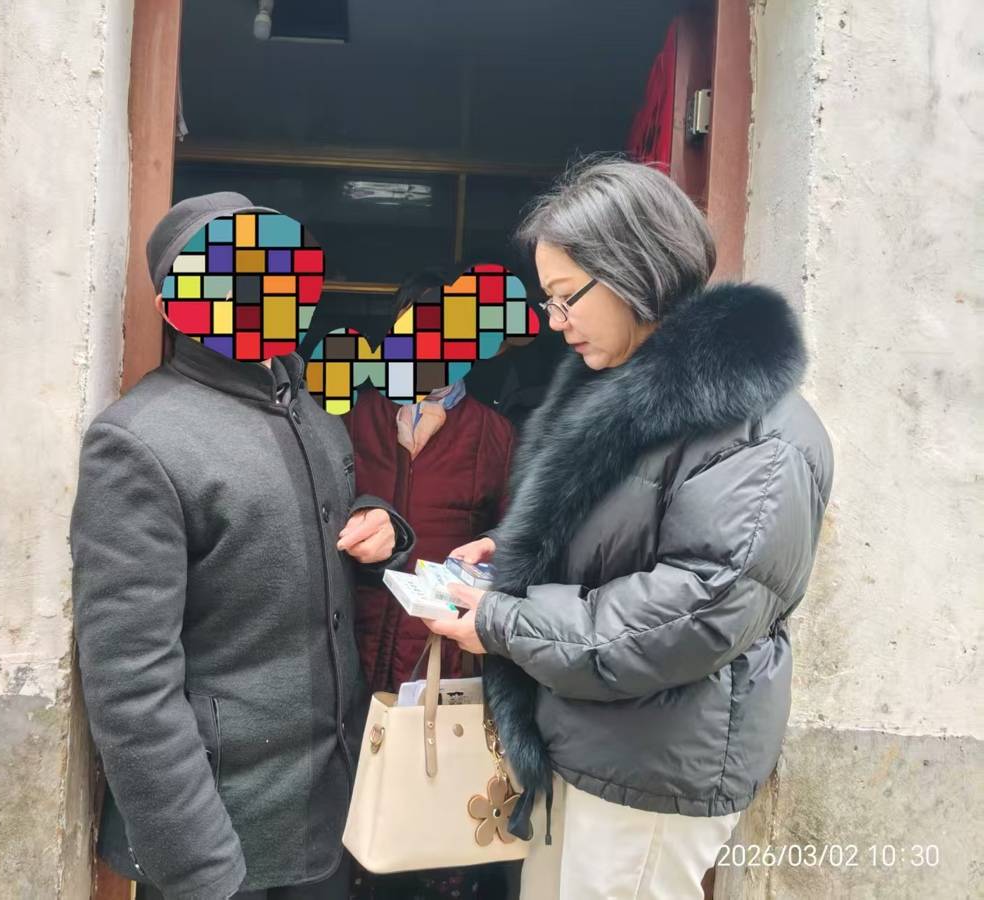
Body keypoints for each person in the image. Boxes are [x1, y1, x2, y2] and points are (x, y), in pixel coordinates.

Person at [427, 159, 833, 899]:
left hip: (652, 774)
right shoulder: (621, 394)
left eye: (565, 297)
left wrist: (505, 621)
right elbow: (616, 540)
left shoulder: (759, 432)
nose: (554, 322)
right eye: (548, 300)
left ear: (632, 271)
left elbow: (697, 610)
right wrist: (514, 556)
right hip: (591, 745)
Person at [71, 192, 415, 900]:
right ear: (174, 309)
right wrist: (199, 867)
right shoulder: (139, 440)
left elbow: (310, 535)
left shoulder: (307, 408)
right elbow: (130, 680)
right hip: (224, 833)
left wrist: (381, 529)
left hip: (324, 811)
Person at [343, 271, 515, 900]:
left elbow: (513, 536)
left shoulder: (495, 434)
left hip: (444, 646)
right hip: (354, 633)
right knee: (355, 784)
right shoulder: (352, 415)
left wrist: (482, 569)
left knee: (434, 785)